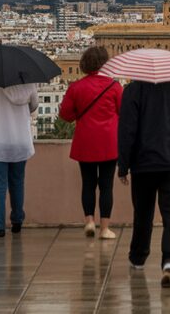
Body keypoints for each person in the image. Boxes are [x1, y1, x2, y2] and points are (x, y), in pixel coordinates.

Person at [117, 77, 170, 289]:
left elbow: (127, 130)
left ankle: (138, 257)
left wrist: (123, 166)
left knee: (143, 212)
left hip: (144, 161)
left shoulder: (133, 90)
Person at [58, 46, 122, 240]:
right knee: (106, 186)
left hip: (85, 141)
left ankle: (88, 221)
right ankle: (104, 228)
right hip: (109, 143)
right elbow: (123, 113)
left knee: (88, 183)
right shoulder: (114, 87)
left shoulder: (76, 88)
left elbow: (66, 115)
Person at [0, 82, 39, 237]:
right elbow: (34, 106)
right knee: (17, 183)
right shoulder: (29, 83)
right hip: (20, 140)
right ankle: (17, 221)